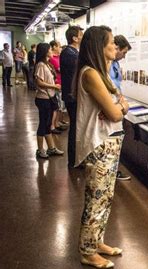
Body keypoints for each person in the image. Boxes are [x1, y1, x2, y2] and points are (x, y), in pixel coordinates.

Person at [75, 26, 129, 269]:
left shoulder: (101, 73)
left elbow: (117, 101)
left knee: (105, 197)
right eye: (111, 43)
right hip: (99, 143)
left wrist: (119, 106)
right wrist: (121, 108)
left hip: (110, 140)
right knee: (96, 198)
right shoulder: (91, 74)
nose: (115, 47)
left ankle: (97, 241)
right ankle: (87, 250)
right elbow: (116, 112)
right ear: (100, 46)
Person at [34, 43, 64, 159]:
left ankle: (51, 148)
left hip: (49, 98)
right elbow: (39, 82)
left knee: (47, 124)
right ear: (45, 51)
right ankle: (40, 149)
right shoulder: (41, 65)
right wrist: (53, 87)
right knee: (43, 124)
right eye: (50, 49)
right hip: (43, 99)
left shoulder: (47, 64)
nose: (52, 51)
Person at [109, 34, 132, 181]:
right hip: (112, 106)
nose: (123, 56)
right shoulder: (105, 65)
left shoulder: (115, 64)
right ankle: (111, 170)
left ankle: (113, 169)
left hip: (116, 103)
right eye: (123, 52)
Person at [60, 25, 83, 169]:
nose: (82, 37)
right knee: (75, 127)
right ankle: (74, 161)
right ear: (74, 38)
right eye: (81, 35)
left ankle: (75, 159)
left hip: (71, 95)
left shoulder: (70, 52)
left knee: (75, 127)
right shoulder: (71, 54)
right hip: (72, 97)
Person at [49, 40, 68, 134]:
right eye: (59, 46)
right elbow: (60, 69)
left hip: (62, 83)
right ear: (54, 47)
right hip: (57, 83)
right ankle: (53, 125)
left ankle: (57, 123)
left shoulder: (59, 57)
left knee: (60, 106)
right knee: (57, 106)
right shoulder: (52, 58)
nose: (60, 48)